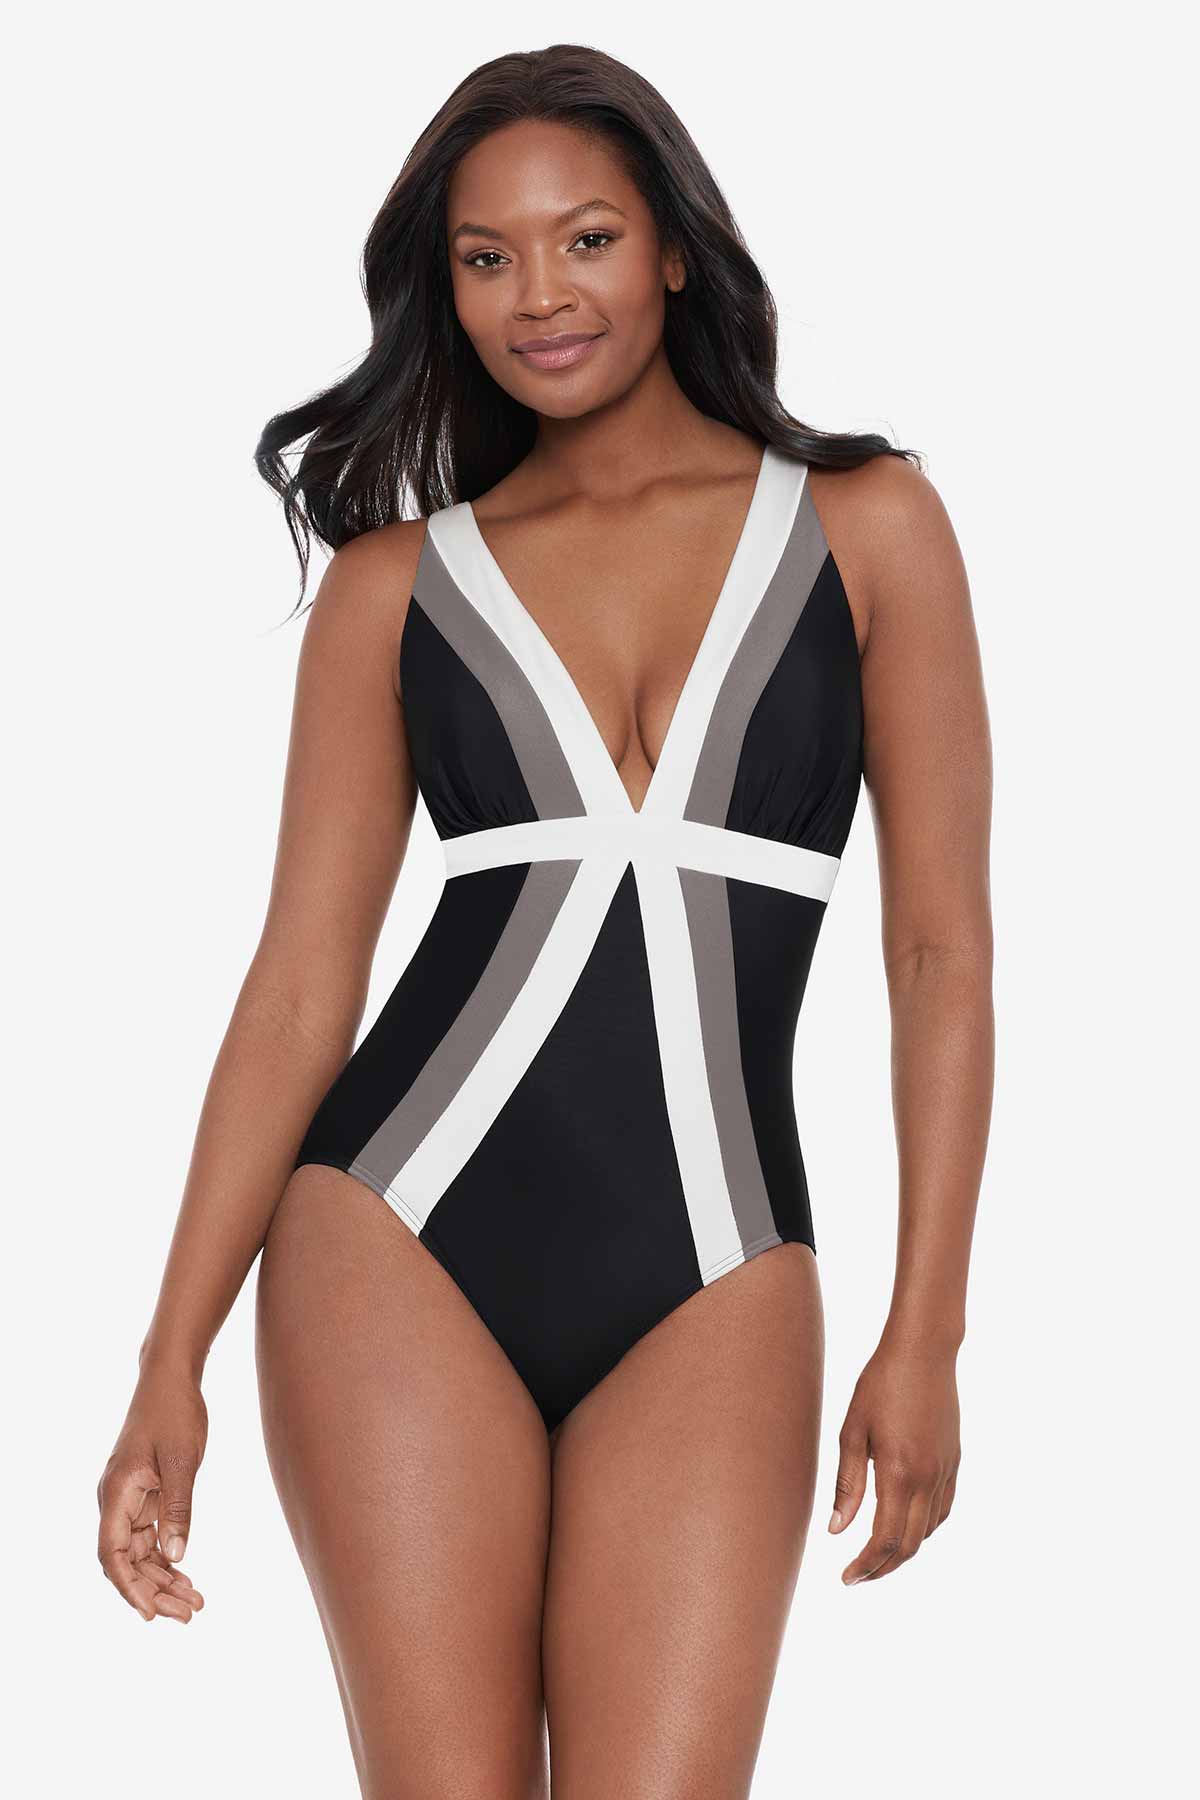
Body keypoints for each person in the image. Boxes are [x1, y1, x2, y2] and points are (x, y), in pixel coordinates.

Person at [97, 42, 993, 1800]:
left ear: (674, 250)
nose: (539, 296)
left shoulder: (869, 527)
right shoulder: (395, 587)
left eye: (585, 239)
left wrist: (929, 1330)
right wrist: (166, 1359)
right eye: (485, 258)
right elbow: (300, 991)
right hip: (392, 1233)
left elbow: (939, 951)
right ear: (444, 291)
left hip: (722, 1261)